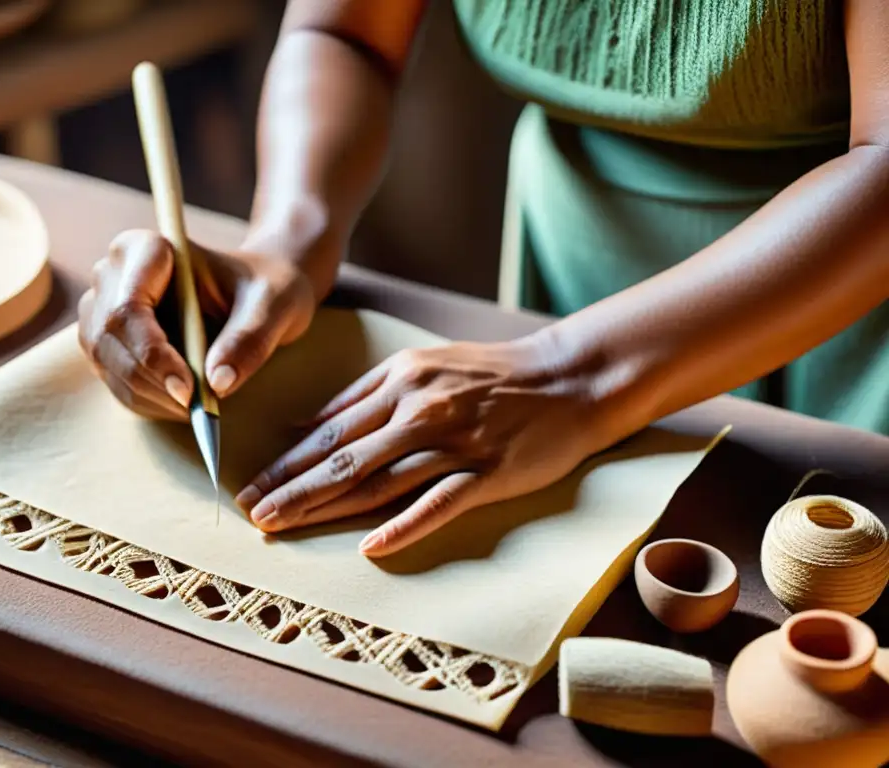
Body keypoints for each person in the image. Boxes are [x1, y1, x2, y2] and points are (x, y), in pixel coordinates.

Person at [79, 1, 889, 558]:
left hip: (844, 290)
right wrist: (288, 239)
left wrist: (574, 372)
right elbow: (345, 31)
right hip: (564, 267)